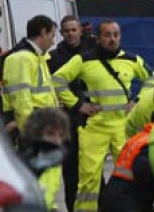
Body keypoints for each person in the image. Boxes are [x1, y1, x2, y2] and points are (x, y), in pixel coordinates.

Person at [52, 19, 154, 212]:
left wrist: (138, 100)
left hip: (122, 127)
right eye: (107, 35)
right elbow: (57, 79)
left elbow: (153, 78)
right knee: (89, 180)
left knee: (129, 176)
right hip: (94, 127)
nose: (112, 39)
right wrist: (77, 105)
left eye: (116, 35)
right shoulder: (84, 60)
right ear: (98, 38)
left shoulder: (132, 60)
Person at [2, 15, 62, 209]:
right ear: (43, 32)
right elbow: (21, 98)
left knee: (47, 175)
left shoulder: (35, 57)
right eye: (52, 35)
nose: (53, 41)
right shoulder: (22, 58)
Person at [48, 15, 91, 212]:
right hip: (66, 122)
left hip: (91, 119)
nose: (70, 34)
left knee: (92, 170)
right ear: (61, 33)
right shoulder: (53, 58)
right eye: (66, 31)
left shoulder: (92, 53)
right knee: (71, 171)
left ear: (80, 31)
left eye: (74, 30)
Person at [17, 107, 70, 209]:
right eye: (50, 134)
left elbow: (48, 200)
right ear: (35, 134)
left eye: (61, 135)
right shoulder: (22, 167)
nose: (57, 141)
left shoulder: (53, 161)